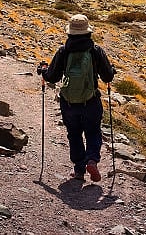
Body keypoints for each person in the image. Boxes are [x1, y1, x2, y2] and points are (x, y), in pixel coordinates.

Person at [38, 14, 116, 182]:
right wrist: (112, 70)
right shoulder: (95, 51)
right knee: (93, 132)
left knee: (74, 134)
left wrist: (43, 70)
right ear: (88, 32)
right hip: (91, 101)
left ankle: (79, 171)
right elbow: (108, 77)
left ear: (70, 33)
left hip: (69, 103)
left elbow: (52, 77)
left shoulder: (64, 51)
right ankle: (92, 160)